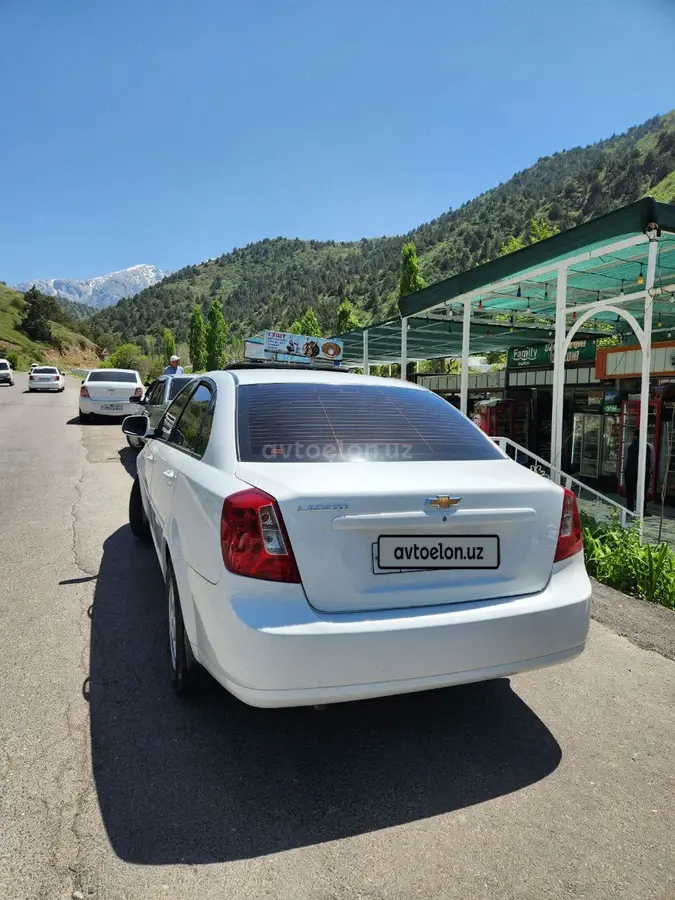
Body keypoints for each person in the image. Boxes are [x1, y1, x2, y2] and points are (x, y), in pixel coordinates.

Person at [623, 429, 654, 517]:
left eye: (632, 435)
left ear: (636, 436)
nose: (631, 437)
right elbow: (652, 460)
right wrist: (651, 470)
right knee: (643, 491)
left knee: (630, 491)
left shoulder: (628, 446)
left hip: (630, 471)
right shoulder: (649, 446)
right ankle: (643, 510)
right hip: (645, 471)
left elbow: (625, 459)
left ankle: (630, 509)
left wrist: (624, 468)